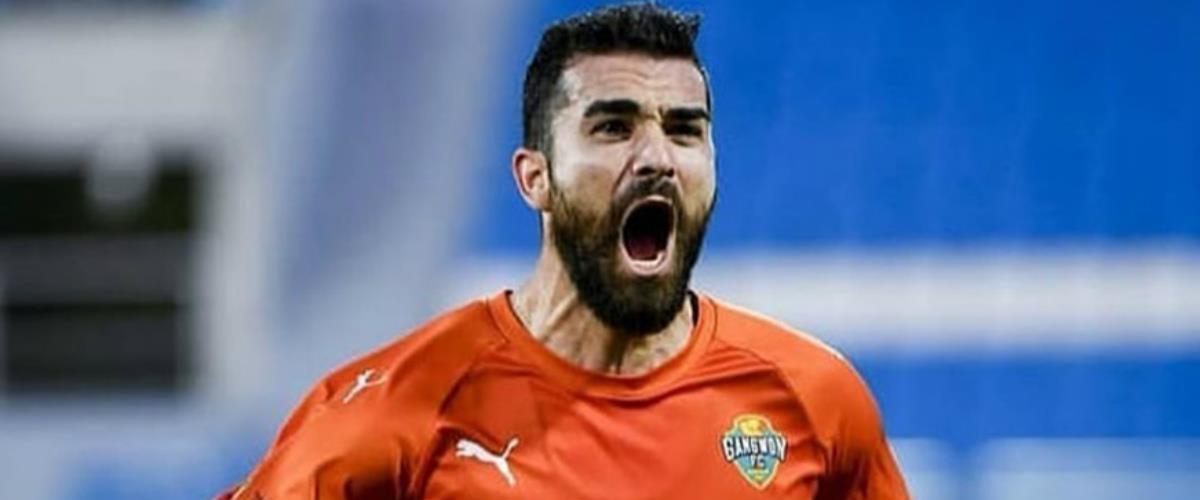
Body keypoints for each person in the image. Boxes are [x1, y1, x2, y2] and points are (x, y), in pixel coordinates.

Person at [220, 4, 908, 499]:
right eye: (613, 127)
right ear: (535, 178)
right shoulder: (395, 410)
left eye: (685, 130)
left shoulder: (813, 400)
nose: (657, 158)